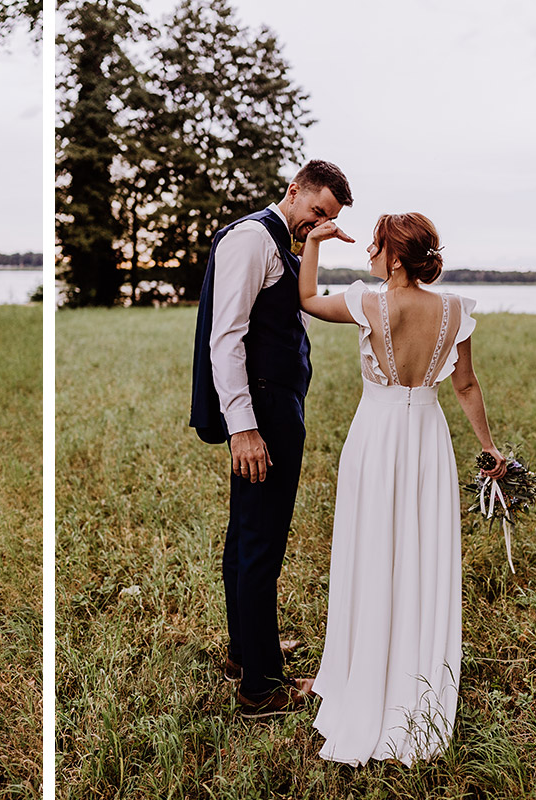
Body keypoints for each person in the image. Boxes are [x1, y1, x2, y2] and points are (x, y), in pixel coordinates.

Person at [296, 212, 507, 764]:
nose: (369, 248)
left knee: (372, 555)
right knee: (422, 556)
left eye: (377, 243)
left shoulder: (367, 303)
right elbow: (464, 384)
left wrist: (313, 242)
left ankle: (363, 681)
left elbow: (306, 298)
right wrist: (490, 450)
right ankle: (415, 685)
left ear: (395, 257)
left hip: (376, 437)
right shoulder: (456, 309)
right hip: (427, 440)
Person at [189, 160, 353, 717]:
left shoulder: (285, 242)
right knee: (261, 542)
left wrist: (314, 243)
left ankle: (246, 649)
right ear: (293, 191)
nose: (319, 223)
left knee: (249, 535)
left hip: (277, 407)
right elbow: (226, 337)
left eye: (328, 218)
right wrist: (244, 427)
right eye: (316, 211)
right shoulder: (251, 240)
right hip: (260, 414)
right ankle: (262, 687)